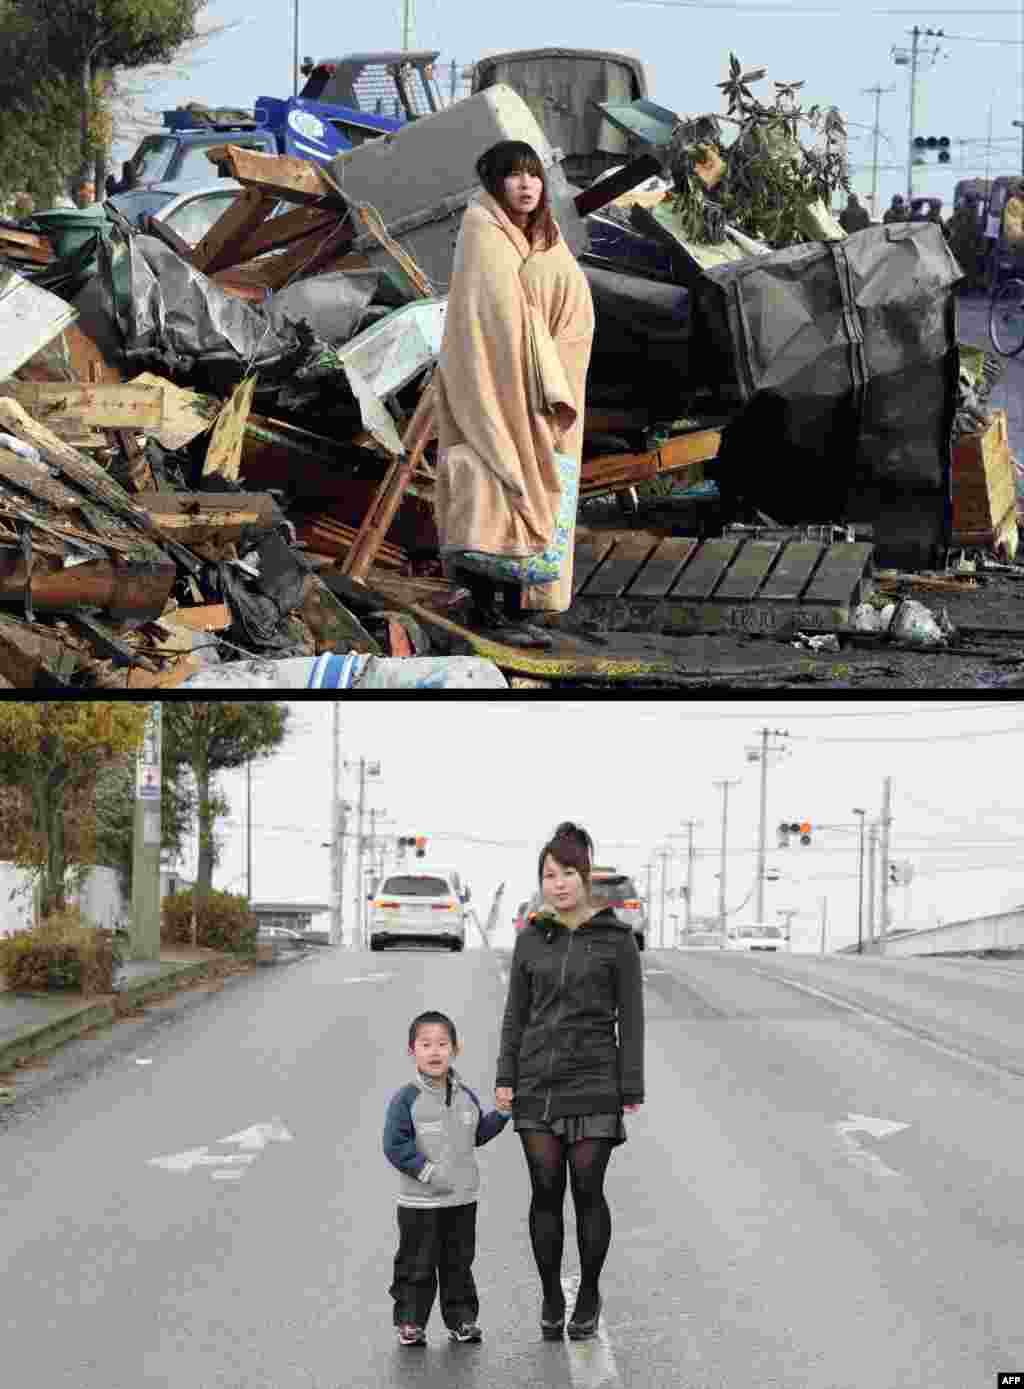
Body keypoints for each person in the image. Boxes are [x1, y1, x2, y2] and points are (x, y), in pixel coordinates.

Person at [431, 140, 596, 648]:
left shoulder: (538, 234)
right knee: (497, 487)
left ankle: (511, 608)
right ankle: (488, 610)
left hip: (538, 383)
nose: (526, 185)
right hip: (499, 383)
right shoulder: (484, 232)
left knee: (523, 492)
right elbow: (499, 322)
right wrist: (538, 368)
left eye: (533, 175)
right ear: (493, 182)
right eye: (513, 176)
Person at [495, 821, 644, 1343]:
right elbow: (516, 1014)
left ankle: (589, 1293)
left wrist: (631, 1084)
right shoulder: (531, 938)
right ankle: (552, 1293)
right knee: (544, 1190)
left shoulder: (616, 940)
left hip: (595, 1079)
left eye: (566, 874)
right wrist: (506, 1076)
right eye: (548, 875)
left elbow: (633, 1017)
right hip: (537, 1081)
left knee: (587, 1189)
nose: (557, 884)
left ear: (586, 877)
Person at [383, 1010, 510, 1348]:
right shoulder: (406, 1098)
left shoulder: (465, 1095)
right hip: (420, 1203)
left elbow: (476, 1134)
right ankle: (411, 1321)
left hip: (461, 1201)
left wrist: (501, 1115)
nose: (434, 1051)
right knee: (417, 1264)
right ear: (413, 1051)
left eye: (442, 1044)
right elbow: (395, 1146)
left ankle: (462, 1320)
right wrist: (428, 1173)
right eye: (426, 1044)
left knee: (458, 1264)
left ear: (455, 1049)